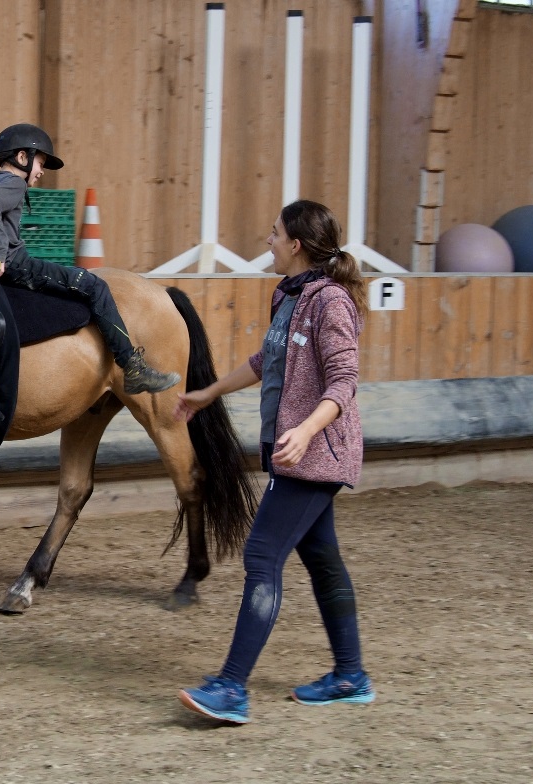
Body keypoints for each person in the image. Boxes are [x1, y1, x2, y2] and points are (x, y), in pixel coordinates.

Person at [174, 200, 372, 724]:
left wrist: (306, 432)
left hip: (316, 454)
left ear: (297, 245)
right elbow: (268, 361)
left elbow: (343, 383)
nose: (268, 240)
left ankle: (232, 689)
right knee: (323, 559)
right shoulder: (291, 297)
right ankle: (350, 676)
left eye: (275, 233)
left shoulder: (330, 302)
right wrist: (208, 393)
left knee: (262, 556)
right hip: (297, 452)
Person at [0, 122, 180, 395]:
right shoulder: (14, 183)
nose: (41, 171)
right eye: (40, 162)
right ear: (22, 158)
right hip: (18, 266)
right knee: (94, 285)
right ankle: (133, 368)